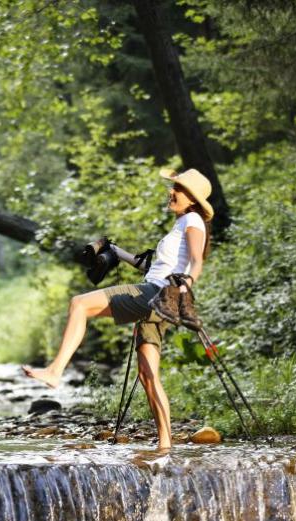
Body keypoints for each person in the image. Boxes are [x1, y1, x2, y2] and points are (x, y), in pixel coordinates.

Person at [23, 168, 214, 451]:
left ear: (193, 199)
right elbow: (152, 268)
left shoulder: (193, 220)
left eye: (179, 190)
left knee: (80, 304)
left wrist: (187, 284)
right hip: (159, 299)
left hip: (155, 294)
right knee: (148, 376)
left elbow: (197, 261)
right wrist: (116, 251)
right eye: (173, 188)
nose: (171, 193)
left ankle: (55, 370)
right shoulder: (180, 224)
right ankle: (165, 445)